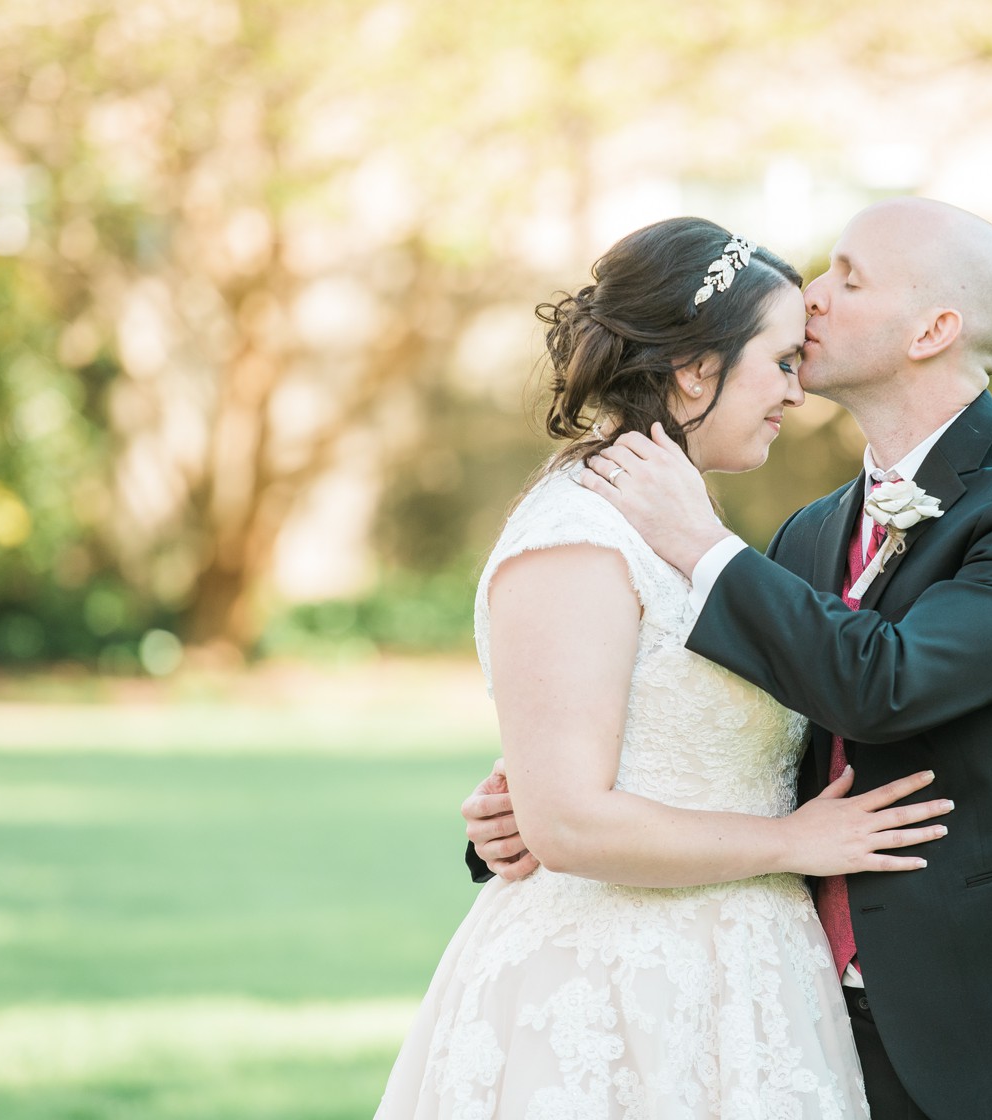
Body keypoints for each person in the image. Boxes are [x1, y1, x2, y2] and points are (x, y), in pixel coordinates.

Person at [468, 198, 992, 1119]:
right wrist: (535, 810)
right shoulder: (807, 534)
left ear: (934, 329)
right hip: (806, 1022)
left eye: (848, 275)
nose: (814, 295)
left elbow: (887, 684)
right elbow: (753, 735)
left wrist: (704, 546)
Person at [374, 217, 954, 1120]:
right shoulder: (576, 537)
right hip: (614, 992)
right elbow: (568, 822)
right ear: (693, 369)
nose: (795, 394)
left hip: (748, 981)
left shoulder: (689, 530)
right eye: (781, 362)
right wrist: (793, 842)